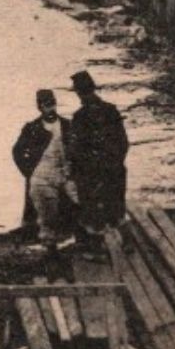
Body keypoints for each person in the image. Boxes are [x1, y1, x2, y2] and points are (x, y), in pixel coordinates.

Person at [68, 70, 130, 239]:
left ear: (79, 93)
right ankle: (126, 244)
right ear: (93, 89)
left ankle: (99, 250)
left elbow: (75, 151)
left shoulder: (79, 117)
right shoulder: (111, 110)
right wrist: (114, 163)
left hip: (92, 175)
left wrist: (77, 174)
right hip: (114, 170)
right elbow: (123, 143)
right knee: (117, 211)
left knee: (93, 217)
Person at [12, 90, 76, 249]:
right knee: (46, 216)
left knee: (80, 205)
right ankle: (51, 251)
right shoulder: (32, 128)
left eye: (52, 104)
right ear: (39, 107)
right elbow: (17, 151)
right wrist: (30, 172)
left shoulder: (67, 125)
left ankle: (82, 242)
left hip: (66, 173)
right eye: (46, 105)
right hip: (43, 175)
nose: (51, 109)